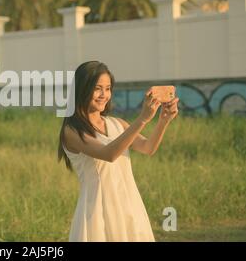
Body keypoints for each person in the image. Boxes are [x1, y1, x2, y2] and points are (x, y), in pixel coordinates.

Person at [58, 61, 179, 242]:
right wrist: (143, 119)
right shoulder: (72, 131)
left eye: (107, 89)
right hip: (98, 211)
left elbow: (148, 148)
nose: (103, 95)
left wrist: (163, 120)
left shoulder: (117, 124)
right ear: (81, 89)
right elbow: (109, 154)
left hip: (129, 204)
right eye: (97, 88)